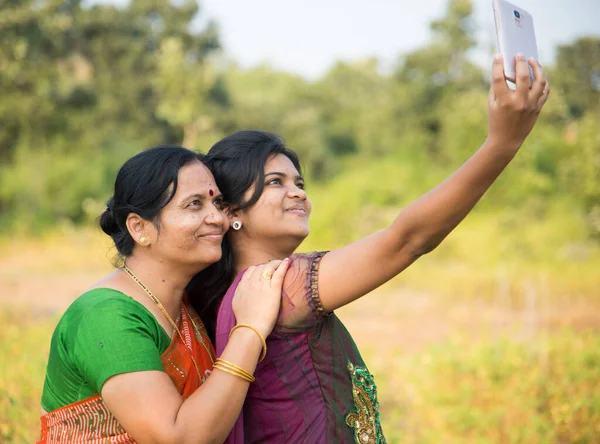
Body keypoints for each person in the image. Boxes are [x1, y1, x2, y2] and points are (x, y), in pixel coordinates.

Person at [189, 55, 550, 443]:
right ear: (232, 213)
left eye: (300, 183)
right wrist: (502, 143)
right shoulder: (280, 286)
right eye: (276, 182)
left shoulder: (249, 290)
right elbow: (407, 240)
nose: (297, 193)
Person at [39, 146, 289, 443]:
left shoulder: (182, 304)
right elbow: (177, 438)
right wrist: (249, 330)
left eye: (217, 202)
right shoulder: (105, 316)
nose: (218, 219)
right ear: (139, 227)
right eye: (194, 204)